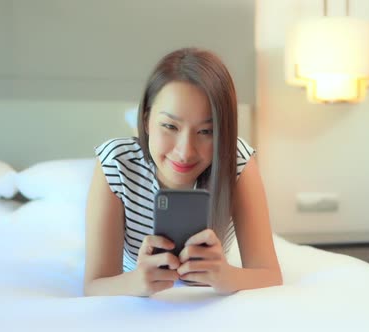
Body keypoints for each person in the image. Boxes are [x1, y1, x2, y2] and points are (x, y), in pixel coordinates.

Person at [83, 48, 282, 296]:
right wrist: (135, 282)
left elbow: (270, 274)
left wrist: (226, 276)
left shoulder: (237, 161)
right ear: (146, 121)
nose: (185, 152)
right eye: (169, 126)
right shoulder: (117, 163)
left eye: (206, 131)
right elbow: (94, 285)